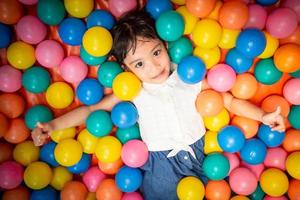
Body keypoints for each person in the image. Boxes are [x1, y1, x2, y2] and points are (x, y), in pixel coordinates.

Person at [32, 9, 285, 200]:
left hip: (202, 157)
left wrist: (262, 116)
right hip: (161, 164)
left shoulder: (188, 76)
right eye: (139, 64)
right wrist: (53, 125)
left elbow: (229, 101)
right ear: (126, 69)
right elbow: (90, 110)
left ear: (164, 44)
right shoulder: (132, 89)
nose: (153, 67)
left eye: (155, 53)